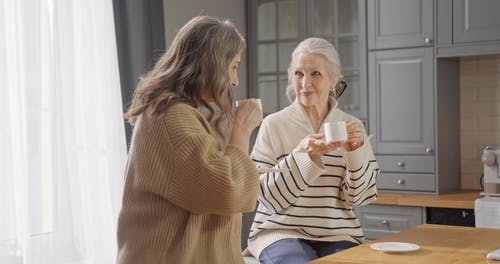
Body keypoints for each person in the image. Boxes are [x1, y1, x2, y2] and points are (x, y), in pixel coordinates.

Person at [116, 16, 263, 264]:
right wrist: (242, 128)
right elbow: (227, 190)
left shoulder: (174, 113)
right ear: (212, 65)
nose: (235, 80)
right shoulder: (171, 118)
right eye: (233, 66)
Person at [245, 37, 380, 264]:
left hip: (338, 232)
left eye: (315, 74)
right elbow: (266, 197)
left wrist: (355, 153)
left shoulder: (351, 127)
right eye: (299, 74)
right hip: (280, 231)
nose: (305, 83)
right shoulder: (274, 124)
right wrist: (305, 157)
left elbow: (360, 198)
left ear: (333, 79)